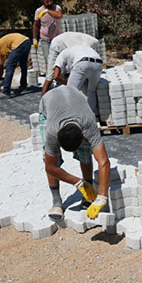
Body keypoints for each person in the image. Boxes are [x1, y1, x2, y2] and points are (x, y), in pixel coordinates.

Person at [39, 85, 110, 222]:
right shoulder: (52, 132)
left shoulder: (88, 125)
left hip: (76, 101)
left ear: (83, 135)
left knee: (85, 152)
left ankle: (88, 194)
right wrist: (77, 183)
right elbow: (50, 166)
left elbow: (104, 162)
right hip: (49, 104)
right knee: (51, 158)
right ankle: (56, 201)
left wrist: (102, 197)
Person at [41, 44, 103, 116]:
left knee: (70, 92)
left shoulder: (61, 55)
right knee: (91, 91)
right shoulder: (77, 48)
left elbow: (55, 76)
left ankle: (70, 117)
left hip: (82, 63)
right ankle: (92, 116)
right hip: (98, 64)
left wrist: (66, 82)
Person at [0, 33, 32, 98]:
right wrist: (0, 76)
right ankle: (24, 85)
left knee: (9, 67)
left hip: (18, 43)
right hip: (26, 41)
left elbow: (0, 63)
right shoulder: (1, 50)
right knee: (23, 65)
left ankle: (6, 92)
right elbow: (1, 65)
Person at [32, 0, 63, 76]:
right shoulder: (38, 11)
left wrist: (47, 11)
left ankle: (59, 76)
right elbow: (36, 25)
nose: (49, 3)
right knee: (48, 59)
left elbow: (59, 15)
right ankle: (50, 78)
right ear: (42, 1)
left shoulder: (56, 7)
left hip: (56, 37)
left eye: (50, 1)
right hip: (44, 38)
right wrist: (35, 39)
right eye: (47, 1)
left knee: (58, 58)